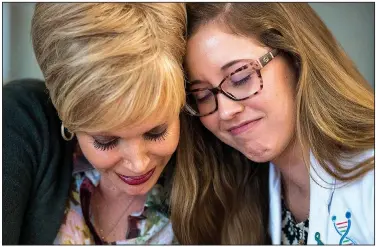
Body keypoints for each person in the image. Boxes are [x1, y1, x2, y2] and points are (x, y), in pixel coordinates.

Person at [183, 3, 374, 245]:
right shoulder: (242, 186)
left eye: (241, 77)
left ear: (296, 58)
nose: (226, 111)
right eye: (203, 95)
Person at [3, 3, 188, 244]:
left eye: (155, 132)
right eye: (106, 140)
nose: (138, 164)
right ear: (66, 115)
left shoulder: (212, 161)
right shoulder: (19, 120)